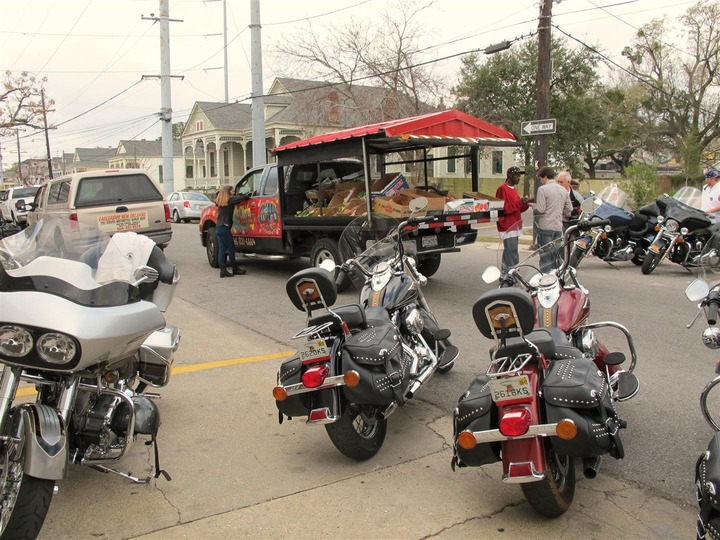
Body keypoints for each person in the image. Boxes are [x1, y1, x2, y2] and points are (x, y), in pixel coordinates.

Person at [533, 166, 572, 272]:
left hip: (545, 226)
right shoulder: (563, 190)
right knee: (556, 254)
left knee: (545, 255)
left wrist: (532, 205)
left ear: (545, 177)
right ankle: (558, 275)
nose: (541, 181)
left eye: (541, 178)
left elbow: (541, 209)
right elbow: (569, 208)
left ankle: (545, 278)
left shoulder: (542, 189)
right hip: (558, 226)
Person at [496, 166, 531, 274]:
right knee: (511, 251)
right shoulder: (502, 189)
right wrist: (520, 202)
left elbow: (517, 209)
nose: (518, 178)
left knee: (512, 251)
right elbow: (504, 209)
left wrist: (525, 203)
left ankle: (509, 273)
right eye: (517, 175)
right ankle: (510, 273)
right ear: (510, 175)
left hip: (515, 224)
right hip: (507, 225)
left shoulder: (514, 189)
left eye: (519, 176)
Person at [215, 185, 248, 277]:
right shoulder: (230, 200)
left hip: (219, 228)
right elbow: (244, 197)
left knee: (222, 250)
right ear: (228, 192)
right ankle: (235, 268)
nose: (233, 193)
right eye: (233, 191)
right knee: (231, 248)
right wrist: (245, 194)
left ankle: (223, 271)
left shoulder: (221, 201)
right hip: (225, 228)